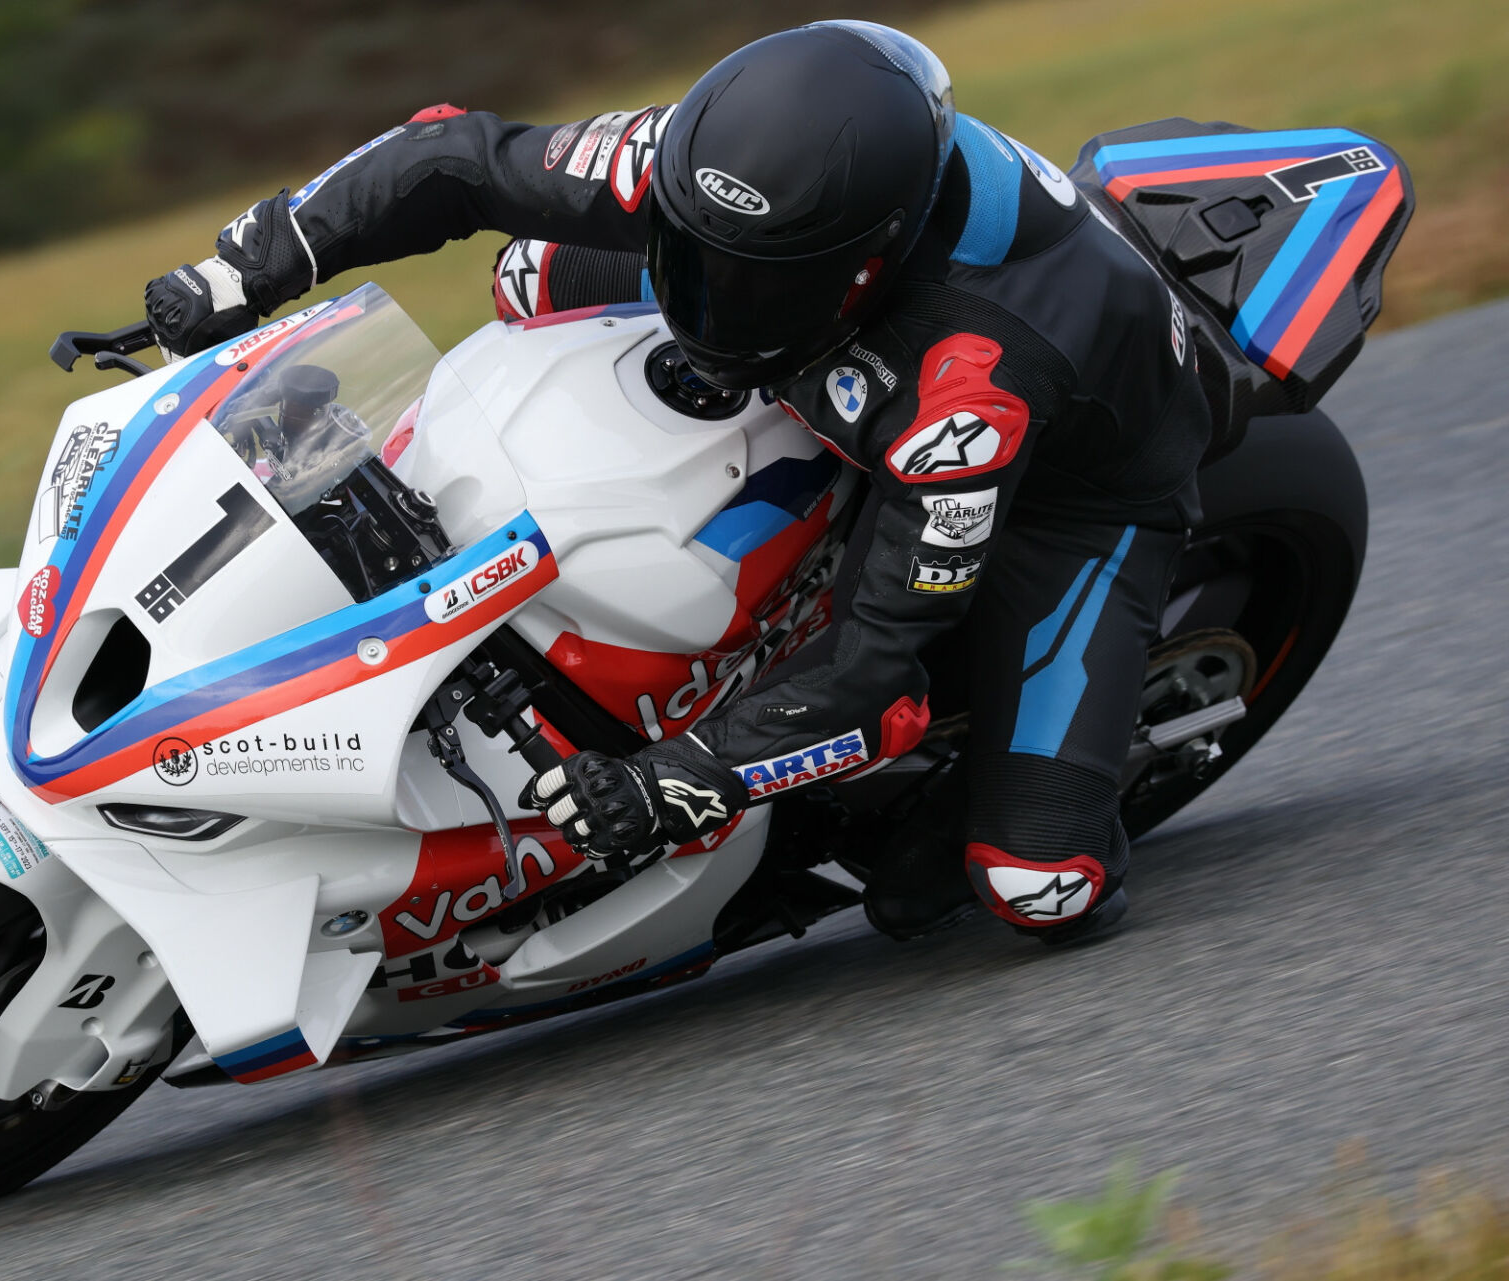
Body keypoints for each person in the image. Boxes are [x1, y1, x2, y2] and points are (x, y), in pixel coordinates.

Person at [143, 21, 1210, 946]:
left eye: (750, 281)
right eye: (693, 252)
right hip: (842, 337)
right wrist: (252, 265)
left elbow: (872, 664)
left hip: (1079, 496)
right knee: (527, 270)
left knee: (1037, 886)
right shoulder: (695, 165)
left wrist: (677, 778)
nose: (706, 305)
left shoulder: (970, 400)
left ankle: (1017, 774)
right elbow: (454, 158)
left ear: (868, 260)